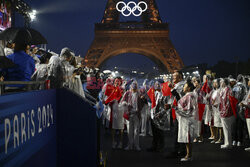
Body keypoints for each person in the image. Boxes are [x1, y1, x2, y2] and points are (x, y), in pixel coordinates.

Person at [176, 79, 198, 161]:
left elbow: (188, 110)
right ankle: (188, 154)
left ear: (189, 88)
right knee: (187, 138)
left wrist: (177, 109)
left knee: (188, 138)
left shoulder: (189, 96)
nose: (183, 88)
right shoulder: (189, 95)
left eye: (185, 86)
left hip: (187, 120)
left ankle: (189, 155)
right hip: (185, 119)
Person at [122, 81, 146, 151]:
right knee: (129, 131)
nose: (134, 86)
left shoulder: (139, 94)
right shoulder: (127, 93)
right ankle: (129, 145)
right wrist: (125, 104)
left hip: (137, 114)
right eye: (133, 85)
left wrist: (143, 99)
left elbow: (143, 103)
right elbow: (123, 101)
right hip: (129, 114)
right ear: (130, 86)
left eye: (135, 85)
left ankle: (136, 145)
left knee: (136, 131)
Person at [219, 78, 235, 149]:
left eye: (221, 82)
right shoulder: (224, 90)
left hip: (227, 112)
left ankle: (228, 143)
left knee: (227, 128)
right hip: (223, 111)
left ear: (225, 83)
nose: (220, 83)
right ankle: (227, 143)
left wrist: (226, 111)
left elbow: (229, 102)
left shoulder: (228, 90)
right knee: (225, 128)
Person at [232, 74, 247, 147]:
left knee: (235, 124)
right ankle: (239, 141)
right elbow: (245, 97)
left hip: (235, 107)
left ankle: (234, 140)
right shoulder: (243, 86)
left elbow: (232, 96)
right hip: (240, 106)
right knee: (240, 125)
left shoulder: (234, 86)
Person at [210, 79, 223, 144]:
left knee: (220, 125)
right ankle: (216, 138)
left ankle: (221, 138)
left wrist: (215, 103)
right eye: (214, 83)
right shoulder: (214, 91)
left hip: (218, 109)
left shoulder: (220, 90)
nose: (214, 84)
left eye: (215, 83)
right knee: (215, 124)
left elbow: (220, 100)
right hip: (214, 110)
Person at [240, 78, 250, 151]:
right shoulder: (249, 91)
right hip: (247, 113)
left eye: (249, 80)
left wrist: (244, 104)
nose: (248, 82)